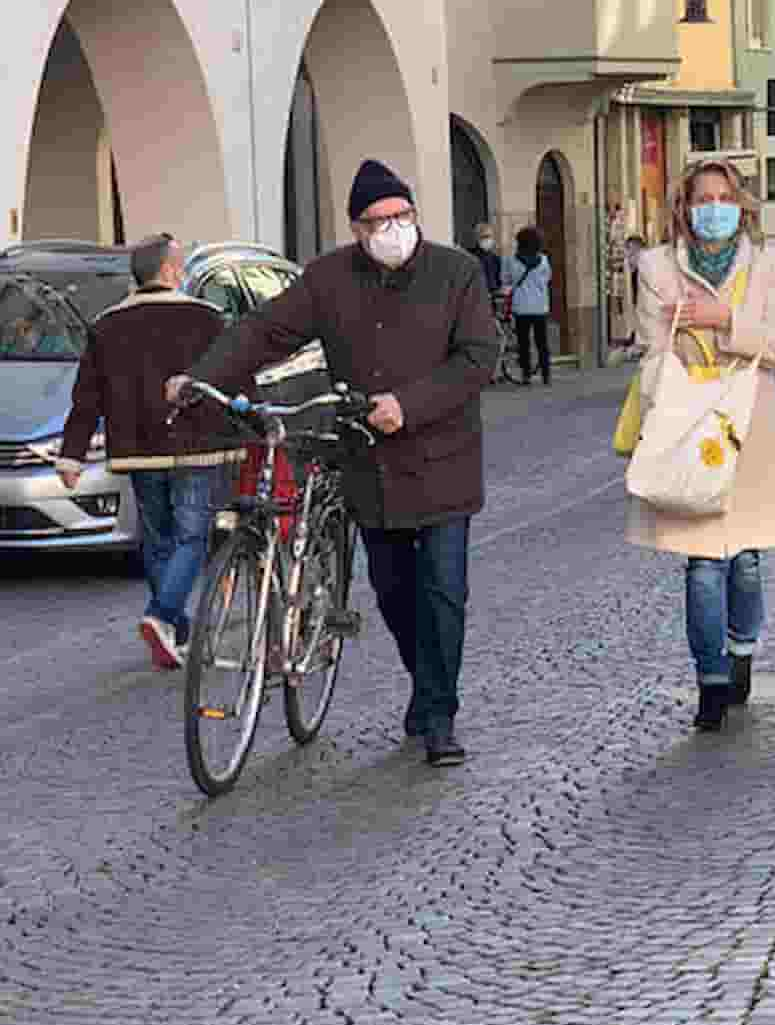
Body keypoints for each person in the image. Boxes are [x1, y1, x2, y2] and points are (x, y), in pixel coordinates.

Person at [166, 159, 498, 767]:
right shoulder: (328, 279)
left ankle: (440, 714)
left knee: (444, 592)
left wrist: (411, 403)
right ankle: (426, 684)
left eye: (401, 216)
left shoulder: (458, 272)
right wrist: (202, 375)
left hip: (444, 460)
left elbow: (480, 357)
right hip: (368, 463)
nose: (392, 229)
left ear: (414, 215)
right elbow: (263, 332)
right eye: (378, 221)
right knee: (394, 592)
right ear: (357, 229)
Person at [627, 158, 775, 732]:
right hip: (687, 427)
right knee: (703, 564)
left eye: (723, 197)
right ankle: (710, 679)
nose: (713, 208)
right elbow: (653, 348)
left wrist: (722, 319)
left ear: (741, 204)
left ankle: (741, 651)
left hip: (750, 425)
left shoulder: (767, 264)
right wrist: (676, 388)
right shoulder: (657, 266)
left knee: (747, 560)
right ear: (684, 206)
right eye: (702, 198)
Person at [56, 234, 242, 669]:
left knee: (159, 541)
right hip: (198, 447)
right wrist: (247, 432)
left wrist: (72, 455)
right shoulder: (207, 318)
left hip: (139, 451)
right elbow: (234, 376)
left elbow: (87, 398)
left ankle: (173, 631)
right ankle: (161, 616)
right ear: (170, 271)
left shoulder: (106, 325)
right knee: (192, 538)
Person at [501, 226, 553, 385]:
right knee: (542, 342)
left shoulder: (510, 260)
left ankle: (526, 375)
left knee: (524, 343)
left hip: (521, 307)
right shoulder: (543, 260)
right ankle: (546, 375)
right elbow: (548, 279)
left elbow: (505, 280)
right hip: (540, 307)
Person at [469, 221, 502, 296]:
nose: (487, 240)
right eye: (484, 237)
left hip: (492, 299)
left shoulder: (495, 259)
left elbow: (499, 282)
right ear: (477, 238)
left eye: (489, 236)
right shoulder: (470, 257)